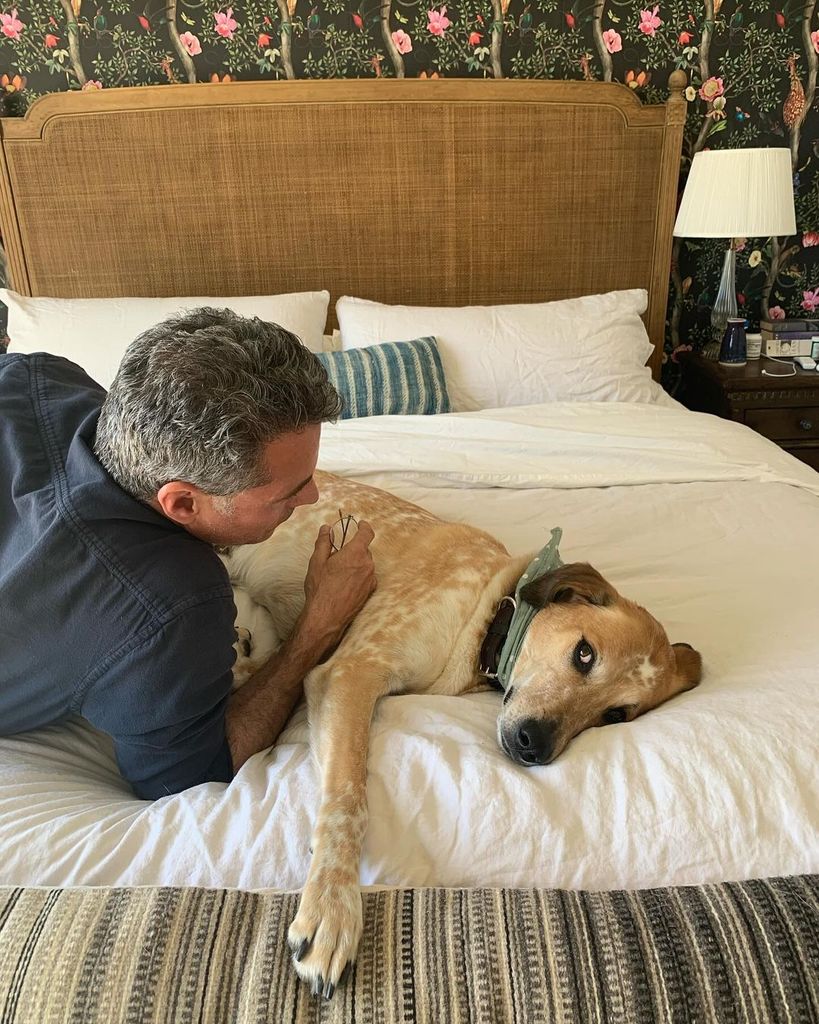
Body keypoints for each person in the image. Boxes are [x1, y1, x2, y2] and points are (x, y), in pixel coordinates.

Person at [0, 308, 377, 799]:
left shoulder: (35, 374)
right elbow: (187, 776)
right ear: (181, 502)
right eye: (287, 494)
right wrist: (317, 628)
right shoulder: (172, 604)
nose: (312, 499)